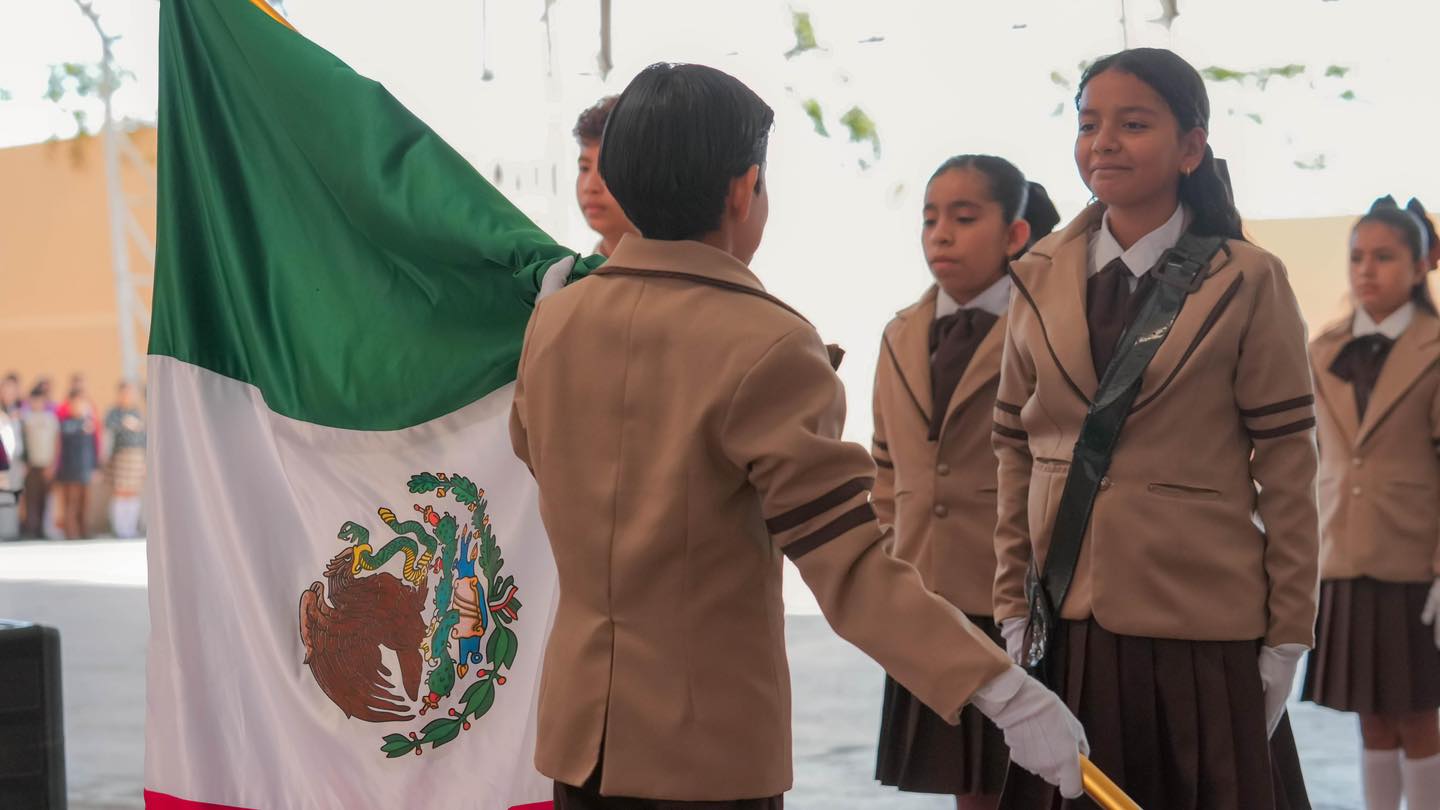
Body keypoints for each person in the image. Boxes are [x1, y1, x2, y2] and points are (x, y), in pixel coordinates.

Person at [510, 62, 1088, 809]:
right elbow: (849, 566)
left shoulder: (556, 319)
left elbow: (535, 453)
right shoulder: (769, 341)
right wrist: (1004, 692)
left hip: (579, 736)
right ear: (744, 189)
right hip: (705, 749)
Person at [990, 47, 1318, 809]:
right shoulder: (1035, 276)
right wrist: (1010, 605)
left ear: (1191, 147)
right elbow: (1012, 451)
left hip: (1200, 630)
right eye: (1089, 125)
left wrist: (1288, 634)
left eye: (1133, 124)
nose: (1103, 142)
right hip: (1066, 625)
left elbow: (1290, 467)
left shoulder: (1249, 279)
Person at [871, 155, 1048, 809]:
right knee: (964, 781)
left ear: (1015, 234)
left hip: (1013, 593)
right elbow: (886, 464)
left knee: (1030, 779)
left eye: (965, 218)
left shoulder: (1045, 328)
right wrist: (890, 557)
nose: (941, 234)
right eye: (930, 219)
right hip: (927, 593)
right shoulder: (899, 333)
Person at [1301, 198, 1440, 810]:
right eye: (1358, 257)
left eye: (1384, 257)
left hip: (1415, 564)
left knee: (1418, 717)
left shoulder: (1435, 347)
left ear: (1419, 265)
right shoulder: (1323, 349)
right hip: (1344, 555)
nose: (1366, 270)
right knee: (1371, 717)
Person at [573, 95, 638, 258]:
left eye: (606, 168)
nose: (590, 187)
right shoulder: (575, 270)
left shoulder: (682, 269)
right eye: (584, 168)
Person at [54, 388, 99, 540]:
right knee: (70, 503)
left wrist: (95, 467)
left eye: (81, 403)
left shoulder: (89, 424)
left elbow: (94, 448)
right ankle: (71, 533)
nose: (78, 406)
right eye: (75, 403)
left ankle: (84, 531)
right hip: (68, 470)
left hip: (85, 469)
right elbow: (59, 447)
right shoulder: (65, 424)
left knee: (85, 503)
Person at [104, 381, 147, 539]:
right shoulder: (113, 412)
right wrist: (124, 423)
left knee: (133, 493)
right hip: (120, 455)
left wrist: (145, 461)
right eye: (125, 393)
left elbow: (144, 437)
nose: (128, 396)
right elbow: (108, 428)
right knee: (120, 492)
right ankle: (120, 528)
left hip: (136, 456)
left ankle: (130, 528)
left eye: (130, 393)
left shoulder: (137, 412)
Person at [20, 382, 59, 539]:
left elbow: (56, 441)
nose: (37, 403)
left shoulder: (51, 419)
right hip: (31, 465)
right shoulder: (25, 418)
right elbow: (22, 441)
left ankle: (43, 530)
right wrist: (25, 462)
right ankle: (31, 529)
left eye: (40, 400)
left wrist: (53, 464)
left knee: (45, 499)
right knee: (31, 498)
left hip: (46, 465)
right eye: (34, 400)